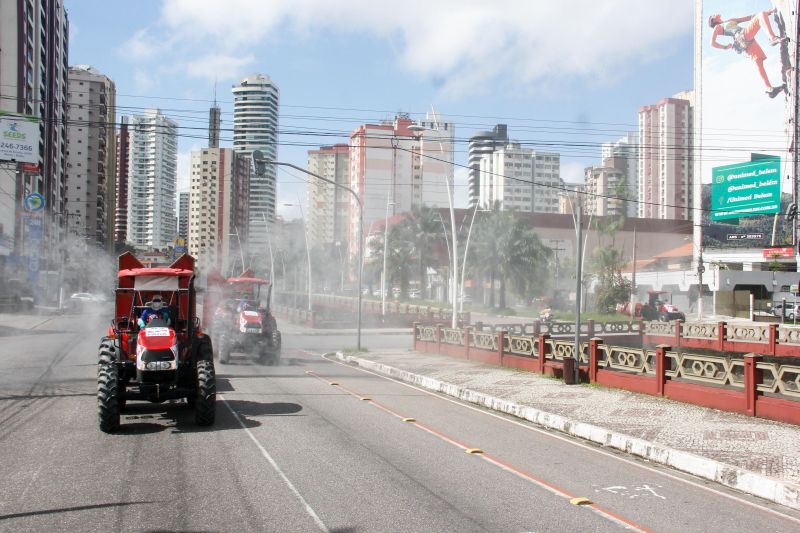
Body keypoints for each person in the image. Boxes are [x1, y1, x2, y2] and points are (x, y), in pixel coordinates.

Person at [709, 9, 788, 98]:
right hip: (742, 36)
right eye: (713, 15)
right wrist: (725, 47)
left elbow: (749, 17)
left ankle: (769, 89)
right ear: (713, 20)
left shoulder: (730, 20)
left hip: (745, 42)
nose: (715, 14)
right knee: (760, 15)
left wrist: (770, 11)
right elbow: (712, 43)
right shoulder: (718, 27)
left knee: (759, 62)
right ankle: (772, 38)